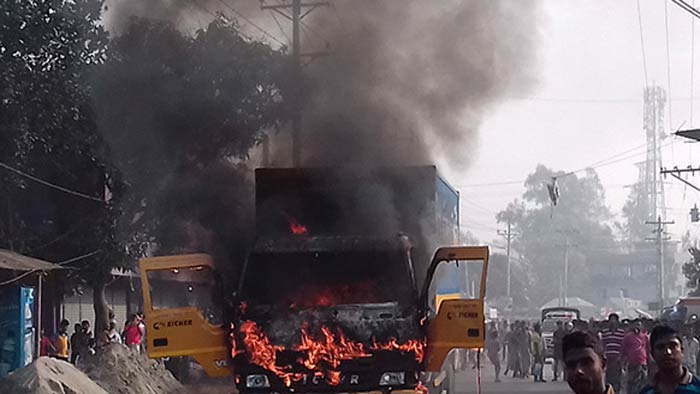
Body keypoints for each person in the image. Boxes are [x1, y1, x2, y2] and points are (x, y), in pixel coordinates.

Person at [640, 325, 700, 393]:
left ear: (682, 350)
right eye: (661, 347)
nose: (668, 352)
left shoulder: (697, 388)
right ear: (652, 354)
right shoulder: (647, 391)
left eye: (673, 346)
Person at [621, 319, 650, 394]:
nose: (637, 326)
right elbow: (623, 350)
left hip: (643, 363)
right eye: (636, 324)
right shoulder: (628, 337)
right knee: (631, 382)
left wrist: (649, 362)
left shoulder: (645, 337)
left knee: (643, 382)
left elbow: (648, 349)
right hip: (632, 363)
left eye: (639, 325)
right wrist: (622, 362)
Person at [600, 313, 626, 393]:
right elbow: (603, 344)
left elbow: (623, 346)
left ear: (617, 322)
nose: (613, 321)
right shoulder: (605, 332)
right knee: (608, 377)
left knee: (617, 377)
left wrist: (621, 357)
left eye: (614, 320)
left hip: (617, 358)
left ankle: (616, 391)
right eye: (611, 319)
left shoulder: (621, 333)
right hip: (608, 358)